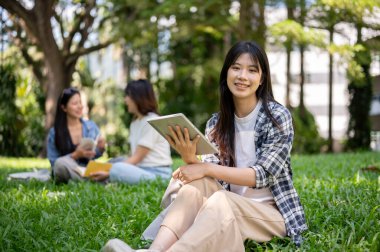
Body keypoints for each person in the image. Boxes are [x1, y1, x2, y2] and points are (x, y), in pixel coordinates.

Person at [102, 41, 307, 252]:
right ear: (226, 73)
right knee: (194, 188)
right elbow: (211, 177)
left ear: (262, 79)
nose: (242, 76)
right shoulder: (216, 124)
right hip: (229, 201)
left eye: (252, 70)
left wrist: (205, 168)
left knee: (222, 200)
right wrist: (189, 157)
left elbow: (261, 175)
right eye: (236, 68)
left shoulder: (277, 117)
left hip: (270, 214)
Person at [89, 79, 173, 184]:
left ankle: (108, 177)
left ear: (138, 98)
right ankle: (103, 177)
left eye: (127, 96)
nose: (125, 100)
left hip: (158, 174)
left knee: (117, 168)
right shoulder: (135, 122)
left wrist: (109, 172)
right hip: (141, 169)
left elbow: (137, 158)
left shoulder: (152, 121)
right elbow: (132, 155)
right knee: (113, 162)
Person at [47, 87, 106, 183]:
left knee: (117, 162)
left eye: (80, 102)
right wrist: (75, 155)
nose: (80, 106)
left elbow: (94, 156)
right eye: (75, 103)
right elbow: (54, 163)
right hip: (69, 169)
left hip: (88, 169)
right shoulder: (54, 132)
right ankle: (92, 180)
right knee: (59, 164)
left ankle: (87, 179)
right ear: (64, 107)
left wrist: (100, 149)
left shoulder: (91, 126)